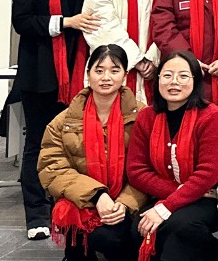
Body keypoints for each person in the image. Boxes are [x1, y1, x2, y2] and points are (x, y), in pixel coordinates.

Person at [13, 0, 98, 240]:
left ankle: (72, 208)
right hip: (40, 74)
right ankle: (37, 215)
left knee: (79, 145)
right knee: (38, 143)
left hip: (83, 73)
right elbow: (22, 21)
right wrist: (65, 22)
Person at [39, 44, 147, 261]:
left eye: (114, 70)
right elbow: (52, 168)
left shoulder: (143, 116)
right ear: (88, 74)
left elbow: (149, 167)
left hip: (127, 200)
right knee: (90, 234)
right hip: (82, 199)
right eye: (99, 70)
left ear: (125, 75)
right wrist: (96, 195)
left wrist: (125, 203)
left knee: (117, 239)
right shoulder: (64, 121)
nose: (106, 77)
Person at [127, 51, 218, 260]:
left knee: (179, 226)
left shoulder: (213, 117)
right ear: (158, 79)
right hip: (167, 194)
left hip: (209, 197)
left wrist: (167, 207)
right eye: (167, 75)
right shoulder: (147, 116)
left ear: (196, 80)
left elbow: (207, 174)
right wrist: (174, 193)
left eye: (183, 76)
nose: (174, 82)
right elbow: (136, 170)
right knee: (138, 229)